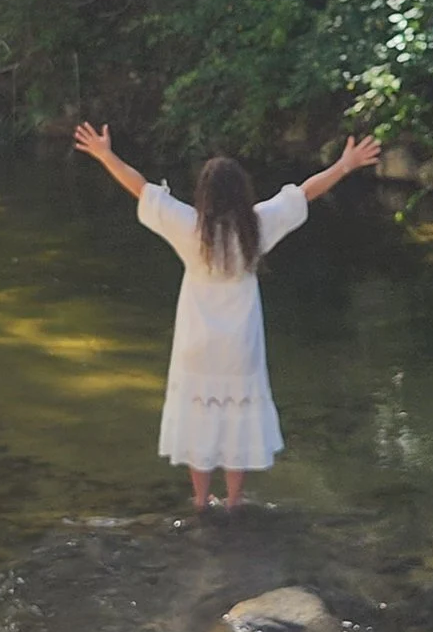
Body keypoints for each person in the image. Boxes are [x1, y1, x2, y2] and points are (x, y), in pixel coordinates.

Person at [74, 123, 381, 513]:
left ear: (204, 194)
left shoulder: (189, 227)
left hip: (195, 345)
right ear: (242, 192)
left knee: (198, 417)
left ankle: (202, 501)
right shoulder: (256, 227)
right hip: (241, 347)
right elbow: (305, 193)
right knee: (237, 419)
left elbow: (141, 188)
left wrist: (105, 155)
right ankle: (234, 502)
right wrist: (344, 165)